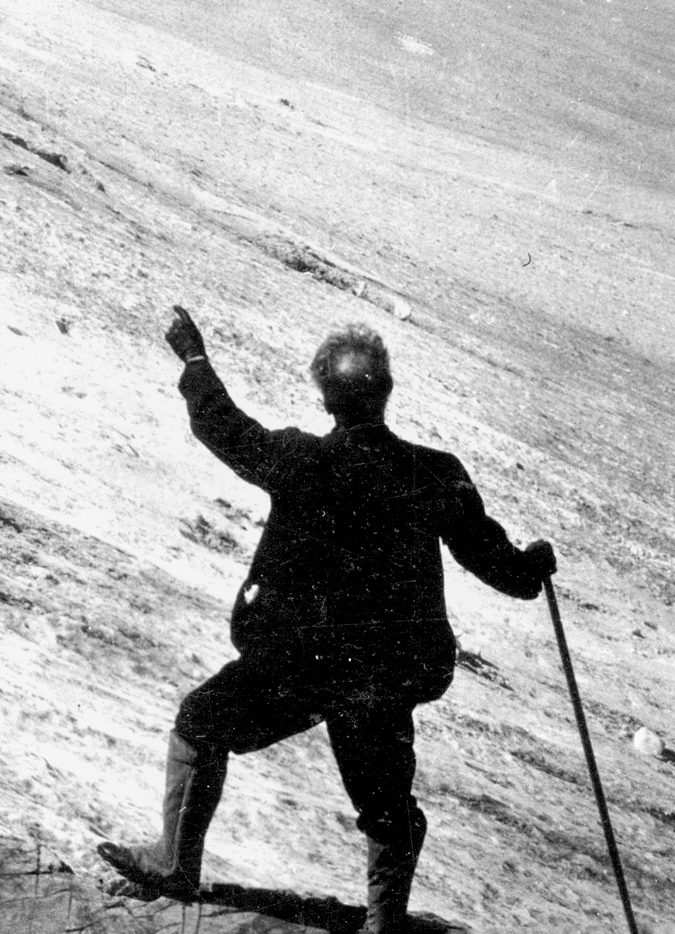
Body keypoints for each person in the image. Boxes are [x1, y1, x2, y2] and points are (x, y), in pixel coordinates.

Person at [115, 304, 555, 930]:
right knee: (385, 797)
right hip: (386, 674)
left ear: (325, 397)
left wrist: (194, 358)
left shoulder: (300, 460)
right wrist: (533, 564)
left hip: (299, 665)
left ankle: (173, 864)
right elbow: (501, 567)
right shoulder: (434, 473)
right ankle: (384, 922)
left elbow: (222, 427)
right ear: (387, 391)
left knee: (200, 723)